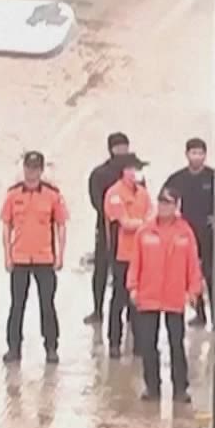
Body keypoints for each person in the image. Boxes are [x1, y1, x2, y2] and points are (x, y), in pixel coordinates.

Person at [125, 187, 203, 403]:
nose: (164, 207)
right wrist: (133, 287)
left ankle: (180, 388)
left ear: (176, 206)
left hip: (174, 296)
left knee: (176, 342)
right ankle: (152, 386)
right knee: (148, 343)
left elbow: (193, 264)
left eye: (168, 203)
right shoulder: (145, 231)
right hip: (148, 295)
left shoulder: (185, 232)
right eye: (161, 202)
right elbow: (135, 262)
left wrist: (193, 290)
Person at [0, 150, 68, 365]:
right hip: (19, 257)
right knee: (17, 305)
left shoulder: (52, 195)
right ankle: (13, 348)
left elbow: (61, 225)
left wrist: (61, 255)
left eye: (36, 168)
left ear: (41, 169)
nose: (32, 172)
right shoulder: (13, 194)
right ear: (24, 169)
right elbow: (6, 226)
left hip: (44, 257)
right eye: (29, 168)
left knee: (47, 305)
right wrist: (7, 256)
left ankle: (51, 347)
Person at [162, 137, 215, 327]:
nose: (197, 157)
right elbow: (164, 199)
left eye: (201, 153)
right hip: (186, 233)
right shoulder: (178, 179)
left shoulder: (213, 176)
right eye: (193, 153)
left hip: (209, 233)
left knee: (210, 273)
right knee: (191, 273)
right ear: (186, 155)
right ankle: (199, 312)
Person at [101, 155, 151, 357]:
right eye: (133, 169)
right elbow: (125, 223)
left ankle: (140, 344)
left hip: (142, 254)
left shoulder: (143, 194)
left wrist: (140, 222)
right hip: (121, 255)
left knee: (140, 301)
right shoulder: (114, 194)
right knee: (119, 299)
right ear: (124, 171)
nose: (136, 173)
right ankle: (114, 342)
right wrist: (143, 222)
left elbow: (152, 215)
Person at [86, 131, 132, 324]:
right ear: (110, 149)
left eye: (124, 146)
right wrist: (114, 213)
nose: (121, 150)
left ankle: (131, 311)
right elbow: (96, 200)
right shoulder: (100, 173)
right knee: (101, 269)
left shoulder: (134, 172)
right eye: (117, 146)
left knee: (129, 271)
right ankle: (97, 310)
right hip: (106, 227)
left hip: (130, 230)